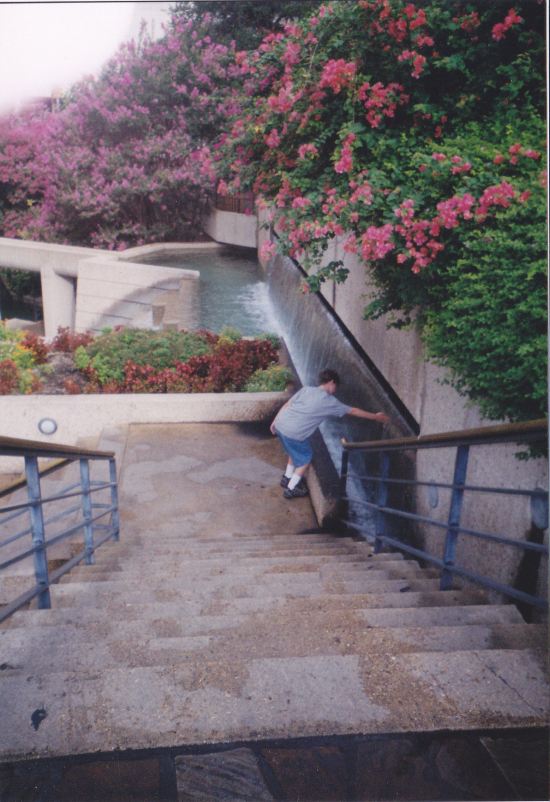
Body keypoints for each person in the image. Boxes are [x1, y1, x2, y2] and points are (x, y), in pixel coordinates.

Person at [270, 368, 390, 499]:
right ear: (331, 382)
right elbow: (354, 411)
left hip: (281, 425)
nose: (336, 390)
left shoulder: (307, 389)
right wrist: (376, 417)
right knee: (306, 458)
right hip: (294, 433)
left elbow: (287, 404)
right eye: (336, 387)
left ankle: (287, 477)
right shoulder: (330, 401)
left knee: (294, 450)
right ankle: (291, 489)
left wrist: (275, 421)